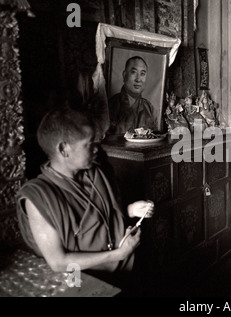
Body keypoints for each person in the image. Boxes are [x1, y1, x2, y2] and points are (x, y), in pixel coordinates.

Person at [16, 108, 154, 292]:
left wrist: (131, 210)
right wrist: (118, 254)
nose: (96, 148)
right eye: (89, 144)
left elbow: (104, 214)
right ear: (64, 149)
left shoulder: (97, 172)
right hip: (82, 280)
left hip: (125, 267)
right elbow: (58, 262)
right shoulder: (38, 197)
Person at [108, 56, 158, 135]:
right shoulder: (111, 105)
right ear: (124, 75)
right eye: (133, 72)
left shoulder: (149, 108)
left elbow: (155, 136)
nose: (138, 79)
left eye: (142, 74)